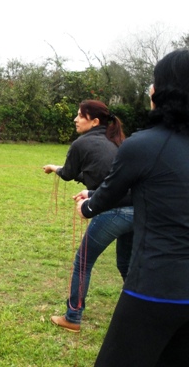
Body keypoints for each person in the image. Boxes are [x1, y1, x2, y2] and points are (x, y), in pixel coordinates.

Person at [77, 49, 189, 366]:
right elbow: (146, 192)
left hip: (155, 289)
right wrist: (91, 193)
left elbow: (111, 194)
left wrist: (88, 207)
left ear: (160, 92)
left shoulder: (144, 144)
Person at [43, 100, 133, 332]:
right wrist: (91, 192)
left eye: (80, 116)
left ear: (94, 121)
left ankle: (72, 317)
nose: (75, 119)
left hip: (113, 210)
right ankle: (141, 311)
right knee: (127, 263)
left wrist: (54, 168)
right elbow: (111, 180)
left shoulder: (81, 143)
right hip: (137, 210)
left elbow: (68, 173)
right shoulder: (119, 141)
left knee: (83, 262)